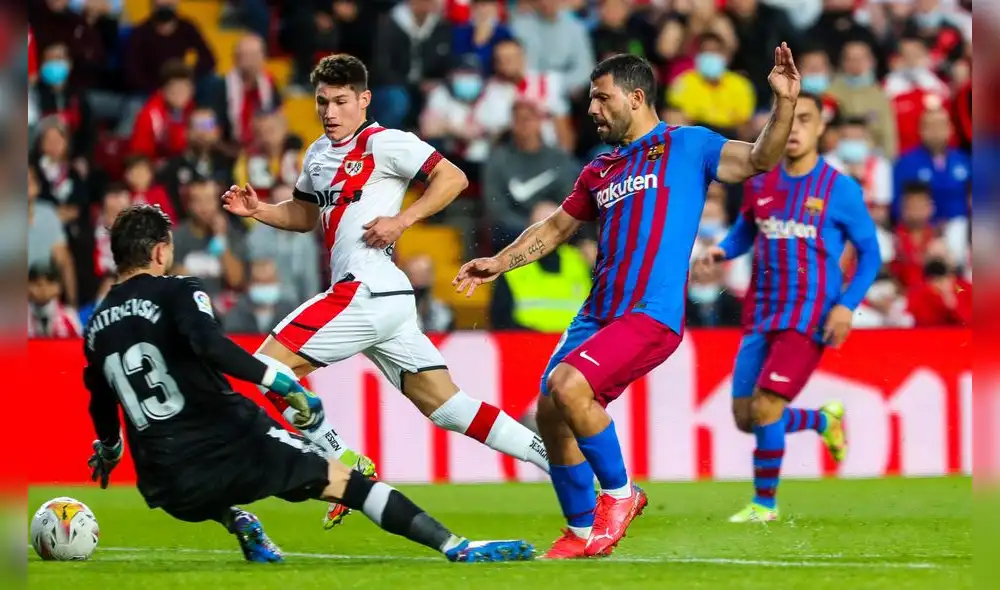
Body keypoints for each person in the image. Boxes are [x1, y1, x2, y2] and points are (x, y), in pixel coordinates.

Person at [454, 46, 802, 558]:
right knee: (550, 411)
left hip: (649, 313)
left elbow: (759, 157)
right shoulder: (601, 169)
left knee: (569, 387)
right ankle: (579, 532)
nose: (592, 108)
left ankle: (620, 495)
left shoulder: (689, 145)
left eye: (602, 97)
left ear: (636, 97)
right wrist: (499, 262)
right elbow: (555, 228)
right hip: (597, 314)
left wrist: (785, 103)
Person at [83, 204, 535, 564]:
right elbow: (211, 345)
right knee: (351, 484)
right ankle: (455, 546)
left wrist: (109, 449)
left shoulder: (96, 326)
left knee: (201, 487)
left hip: (166, 485)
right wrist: (282, 381)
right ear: (161, 251)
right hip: (232, 446)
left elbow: (102, 403)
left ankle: (237, 519)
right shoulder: (179, 290)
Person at [220, 54, 550, 530]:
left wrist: (403, 219)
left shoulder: (387, 143)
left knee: (267, 367)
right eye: (321, 102)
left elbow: (453, 177)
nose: (329, 112)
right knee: (448, 407)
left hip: (367, 287)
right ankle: (557, 463)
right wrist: (260, 211)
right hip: (383, 300)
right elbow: (305, 216)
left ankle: (341, 460)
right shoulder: (316, 155)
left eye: (339, 101)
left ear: (363, 100)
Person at [696, 93, 881, 523]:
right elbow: (745, 229)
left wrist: (846, 306)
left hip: (810, 315)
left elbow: (870, 253)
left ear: (820, 130)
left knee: (766, 408)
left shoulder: (840, 189)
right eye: (787, 120)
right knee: (747, 417)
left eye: (805, 120)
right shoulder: (760, 182)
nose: (794, 129)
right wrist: (723, 251)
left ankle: (765, 505)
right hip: (761, 314)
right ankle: (821, 421)